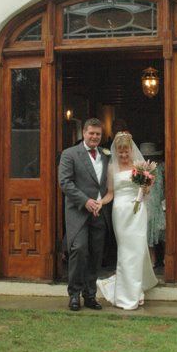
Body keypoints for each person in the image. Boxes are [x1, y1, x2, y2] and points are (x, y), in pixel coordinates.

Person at [96, 132, 158, 310]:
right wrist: (101, 202)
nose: (123, 155)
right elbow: (110, 194)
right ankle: (127, 294)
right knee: (125, 251)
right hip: (120, 212)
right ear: (116, 151)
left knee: (138, 250)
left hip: (137, 212)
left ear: (132, 150)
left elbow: (145, 192)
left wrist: (145, 187)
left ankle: (137, 290)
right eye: (120, 152)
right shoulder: (111, 167)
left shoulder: (140, 167)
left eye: (126, 152)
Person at [59, 118, 110, 311]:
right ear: (84, 133)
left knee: (96, 254)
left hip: (100, 212)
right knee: (79, 250)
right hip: (78, 211)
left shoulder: (106, 156)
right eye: (91, 133)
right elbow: (65, 182)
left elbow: (107, 184)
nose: (95, 137)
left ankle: (90, 295)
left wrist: (101, 202)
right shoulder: (70, 154)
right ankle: (74, 294)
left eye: (98, 134)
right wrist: (85, 201)